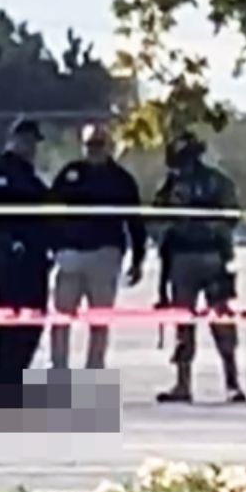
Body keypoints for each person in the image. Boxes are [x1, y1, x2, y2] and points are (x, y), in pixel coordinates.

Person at [153, 130, 246, 404]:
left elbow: (231, 215)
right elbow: (156, 219)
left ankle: (232, 383)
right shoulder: (169, 185)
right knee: (183, 323)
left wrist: (210, 227)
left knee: (221, 322)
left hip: (212, 256)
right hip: (181, 259)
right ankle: (183, 383)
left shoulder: (216, 182)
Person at [48, 123, 146, 369]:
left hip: (105, 255)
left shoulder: (121, 180)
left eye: (99, 145)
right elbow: (50, 212)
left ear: (108, 146)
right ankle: (58, 371)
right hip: (70, 256)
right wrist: (52, 248)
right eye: (90, 145)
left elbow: (135, 222)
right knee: (61, 318)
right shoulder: (69, 174)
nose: (94, 150)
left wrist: (138, 259)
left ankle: (94, 372)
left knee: (99, 321)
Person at [0, 118, 52, 378]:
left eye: (34, 143)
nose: (32, 147)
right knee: (8, 330)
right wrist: (10, 245)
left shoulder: (31, 176)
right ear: (15, 139)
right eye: (27, 141)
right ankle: (4, 382)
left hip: (34, 264)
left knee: (32, 326)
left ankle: (13, 380)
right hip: (8, 264)